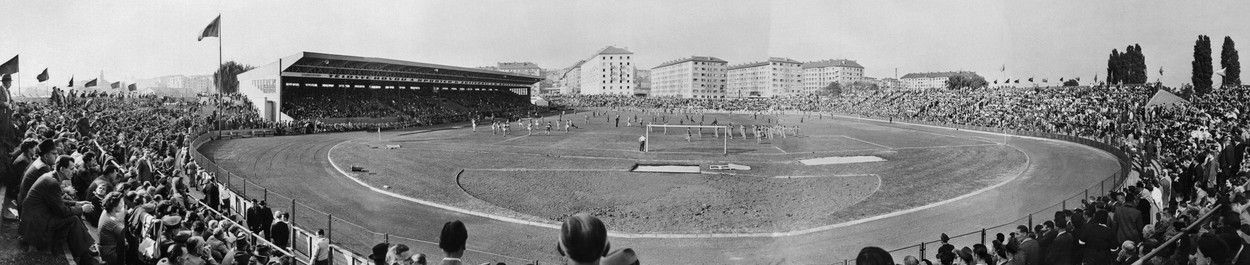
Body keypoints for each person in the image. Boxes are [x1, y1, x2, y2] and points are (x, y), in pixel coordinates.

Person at [21, 155, 97, 264]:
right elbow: (62, 211)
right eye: (71, 169)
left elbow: (57, 202)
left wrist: (77, 203)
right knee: (73, 219)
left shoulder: (51, 177)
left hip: (37, 217)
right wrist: (82, 209)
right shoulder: (52, 182)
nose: (74, 171)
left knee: (74, 216)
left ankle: (85, 253)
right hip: (36, 225)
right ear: (62, 169)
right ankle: (86, 258)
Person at [2, 139, 37, 220]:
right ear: (29, 149)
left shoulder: (26, 157)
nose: (36, 150)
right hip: (15, 190)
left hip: (17, 188)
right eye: (34, 148)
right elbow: (21, 181)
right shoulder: (23, 161)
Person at [98, 191, 127, 265]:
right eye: (121, 203)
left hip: (104, 249)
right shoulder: (113, 222)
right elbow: (123, 239)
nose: (123, 205)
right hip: (110, 254)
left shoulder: (105, 212)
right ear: (114, 205)